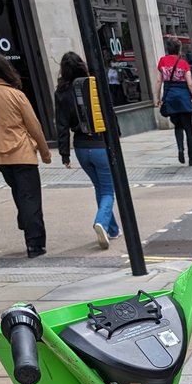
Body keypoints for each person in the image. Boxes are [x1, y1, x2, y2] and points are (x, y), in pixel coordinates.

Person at [54, 51, 119, 249]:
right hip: (98, 144)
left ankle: (111, 229)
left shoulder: (61, 92)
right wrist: (116, 135)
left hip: (81, 147)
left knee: (99, 188)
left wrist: (64, 154)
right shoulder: (92, 86)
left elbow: (61, 125)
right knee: (108, 190)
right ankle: (101, 222)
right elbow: (108, 113)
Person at [0, 51, 50, 258]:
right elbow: (34, 127)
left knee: (18, 192)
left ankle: (25, 221)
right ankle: (35, 244)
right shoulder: (15, 95)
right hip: (23, 153)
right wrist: (45, 153)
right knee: (30, 197)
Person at [155, 36, 192, 165]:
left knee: (177, 126)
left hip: (170, 98)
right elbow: (190, 84)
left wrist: (157, 98)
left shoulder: (162, 61)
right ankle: (191, 158)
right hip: (184, 98)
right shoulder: (184, 63)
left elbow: (159, 81)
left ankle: (180, 149)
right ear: (179, 49)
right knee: (188, 128)